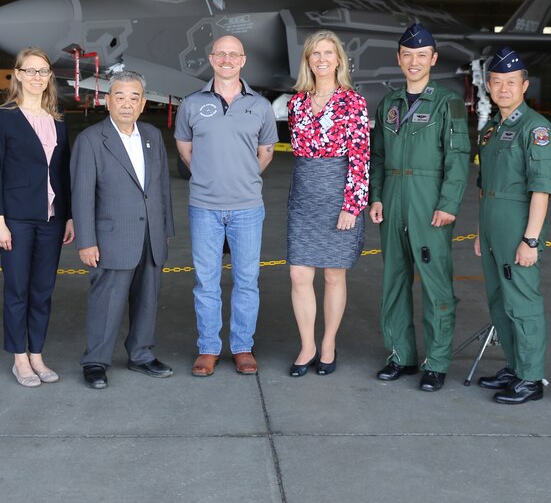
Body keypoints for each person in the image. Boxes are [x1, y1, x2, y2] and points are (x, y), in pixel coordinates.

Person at [369, 23, 469, 392]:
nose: (414, 62)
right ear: (399, 58)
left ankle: (437, 362)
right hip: (393, 195)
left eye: (421, 55)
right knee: (393, 280)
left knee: (435, 282)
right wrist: (376, 195)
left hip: (429, 200)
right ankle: (401, 356)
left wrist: (448, 203)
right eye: (407, 55)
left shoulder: (447, 102)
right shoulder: (389, 103)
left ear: (433, 59)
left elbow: (458, 157)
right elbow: (376, 155)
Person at [174, 35, 278, 377]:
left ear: (243, 60)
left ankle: (242, 347)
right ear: (212, 58)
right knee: (206, 281)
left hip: (247, 207)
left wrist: (241, 177)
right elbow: (185, 149)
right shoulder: (191, 104)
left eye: (234, 54)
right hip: (204, 206)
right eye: (221, 54)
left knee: (247, 279)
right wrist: (210, 177)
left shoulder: (260, 106)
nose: (227, 59)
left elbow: (265, 154)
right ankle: (208, 348)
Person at [71, 71, 175, 389]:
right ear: (107, 101)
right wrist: (86, 241)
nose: (127, 104)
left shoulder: (152, 136)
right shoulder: (91, 140)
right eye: (120, 96)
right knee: (108, 300)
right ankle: (95, 361)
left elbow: (161, 188)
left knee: (147, 298)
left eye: (134, 97)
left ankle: (141, 354)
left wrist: (165, 229)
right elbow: (82, 193)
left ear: (143, 103)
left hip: (150, 235)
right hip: (113, 236)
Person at [0, 47, 75, 388]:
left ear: (49, 77)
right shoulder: (3, 117)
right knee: (17, 289)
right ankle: (19, 358)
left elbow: (64, 173)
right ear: (18, 74)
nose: (37, 77)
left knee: (43, 289)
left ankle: (37, 353)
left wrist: (69, 216)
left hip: (52, 219)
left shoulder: (59, 118)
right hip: (17, 219)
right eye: (30, 71)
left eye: (43, 71)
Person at [472, 47, 551, 404]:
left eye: (511, 82)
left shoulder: (535, 128)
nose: (503, 88)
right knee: (499, 300)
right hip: (492, 225)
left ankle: (531, 377)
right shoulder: (492, 129)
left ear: (525, 84)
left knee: (522, 301)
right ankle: (515, 365)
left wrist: (531, 240)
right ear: (488, 86)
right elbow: (483, 186)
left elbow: (541, 189)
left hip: (518, 226)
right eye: (496, 82)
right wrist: (480, 232)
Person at [285, 31, 369, 377]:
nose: (321, 59)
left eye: (327, 53)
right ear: (308, 60)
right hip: (304, 197)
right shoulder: (295, 103)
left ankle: (329, 344)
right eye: (314, 54)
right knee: (298, 274)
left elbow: (361, 157)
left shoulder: (354, 102)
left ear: (338, 60)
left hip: (339, 195)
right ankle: (307, 346)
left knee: (334, 276)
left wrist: (352, 204)